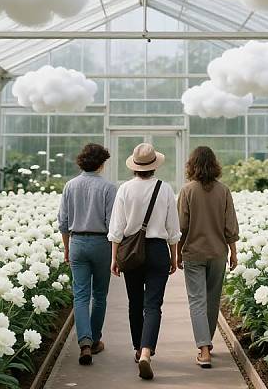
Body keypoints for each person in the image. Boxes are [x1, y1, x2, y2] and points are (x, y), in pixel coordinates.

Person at [109, 143, 181, 380]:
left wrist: (114, 258)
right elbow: (173, 227)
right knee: (153, 305)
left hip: (131, 251)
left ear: (135, 166)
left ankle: (138, 348)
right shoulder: (165, 189)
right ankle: (147, 352)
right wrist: (174, 254)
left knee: (135, 302)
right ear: (154, 166)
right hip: (158, 249)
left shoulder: (125, 189)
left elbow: (117, 228)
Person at [177, 146, 239, 369]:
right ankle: (207, 343)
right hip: (218, 253)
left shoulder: (187, 191)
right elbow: (230, 225)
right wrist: (234, 252)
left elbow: (181, 227)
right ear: (215, 164)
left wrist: (177, 253)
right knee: (212, 300)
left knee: (197, 300)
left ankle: (203, 348)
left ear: (191, 165)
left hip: (193, 253)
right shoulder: (223, 191)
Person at [58, 144, 117, 366]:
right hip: (101, 243)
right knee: (99, 295)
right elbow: (114, 225)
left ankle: (84, 342)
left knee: (80, 295)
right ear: (101, 164)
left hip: (77, 242)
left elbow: (63, 222)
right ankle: (94, 341)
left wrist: (66, 248)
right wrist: (115, 255)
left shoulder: (70, 186)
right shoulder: (109, 188)